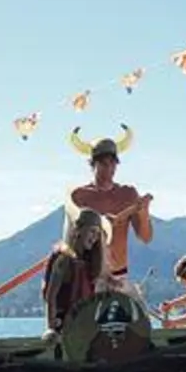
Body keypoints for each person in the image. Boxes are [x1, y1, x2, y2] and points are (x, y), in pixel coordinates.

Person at [66, 125, 153, 301]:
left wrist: (143, 212)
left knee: (138, 322)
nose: (109, 168)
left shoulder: (128, 194)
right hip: (89, 276)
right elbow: (71, 241)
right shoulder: (79, 196)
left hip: (120, 275)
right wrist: (99, 226)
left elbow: (145, 237)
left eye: (113, 163)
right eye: (103, 163)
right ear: (92, 164)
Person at [40, 207, 110, 342]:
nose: (94, 237)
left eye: (97, 234)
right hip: (64, 325)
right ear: (78, 230)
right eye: (91, 231)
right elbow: (51, 296)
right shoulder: (63, 258)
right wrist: (51, 326)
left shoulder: (89, 263)